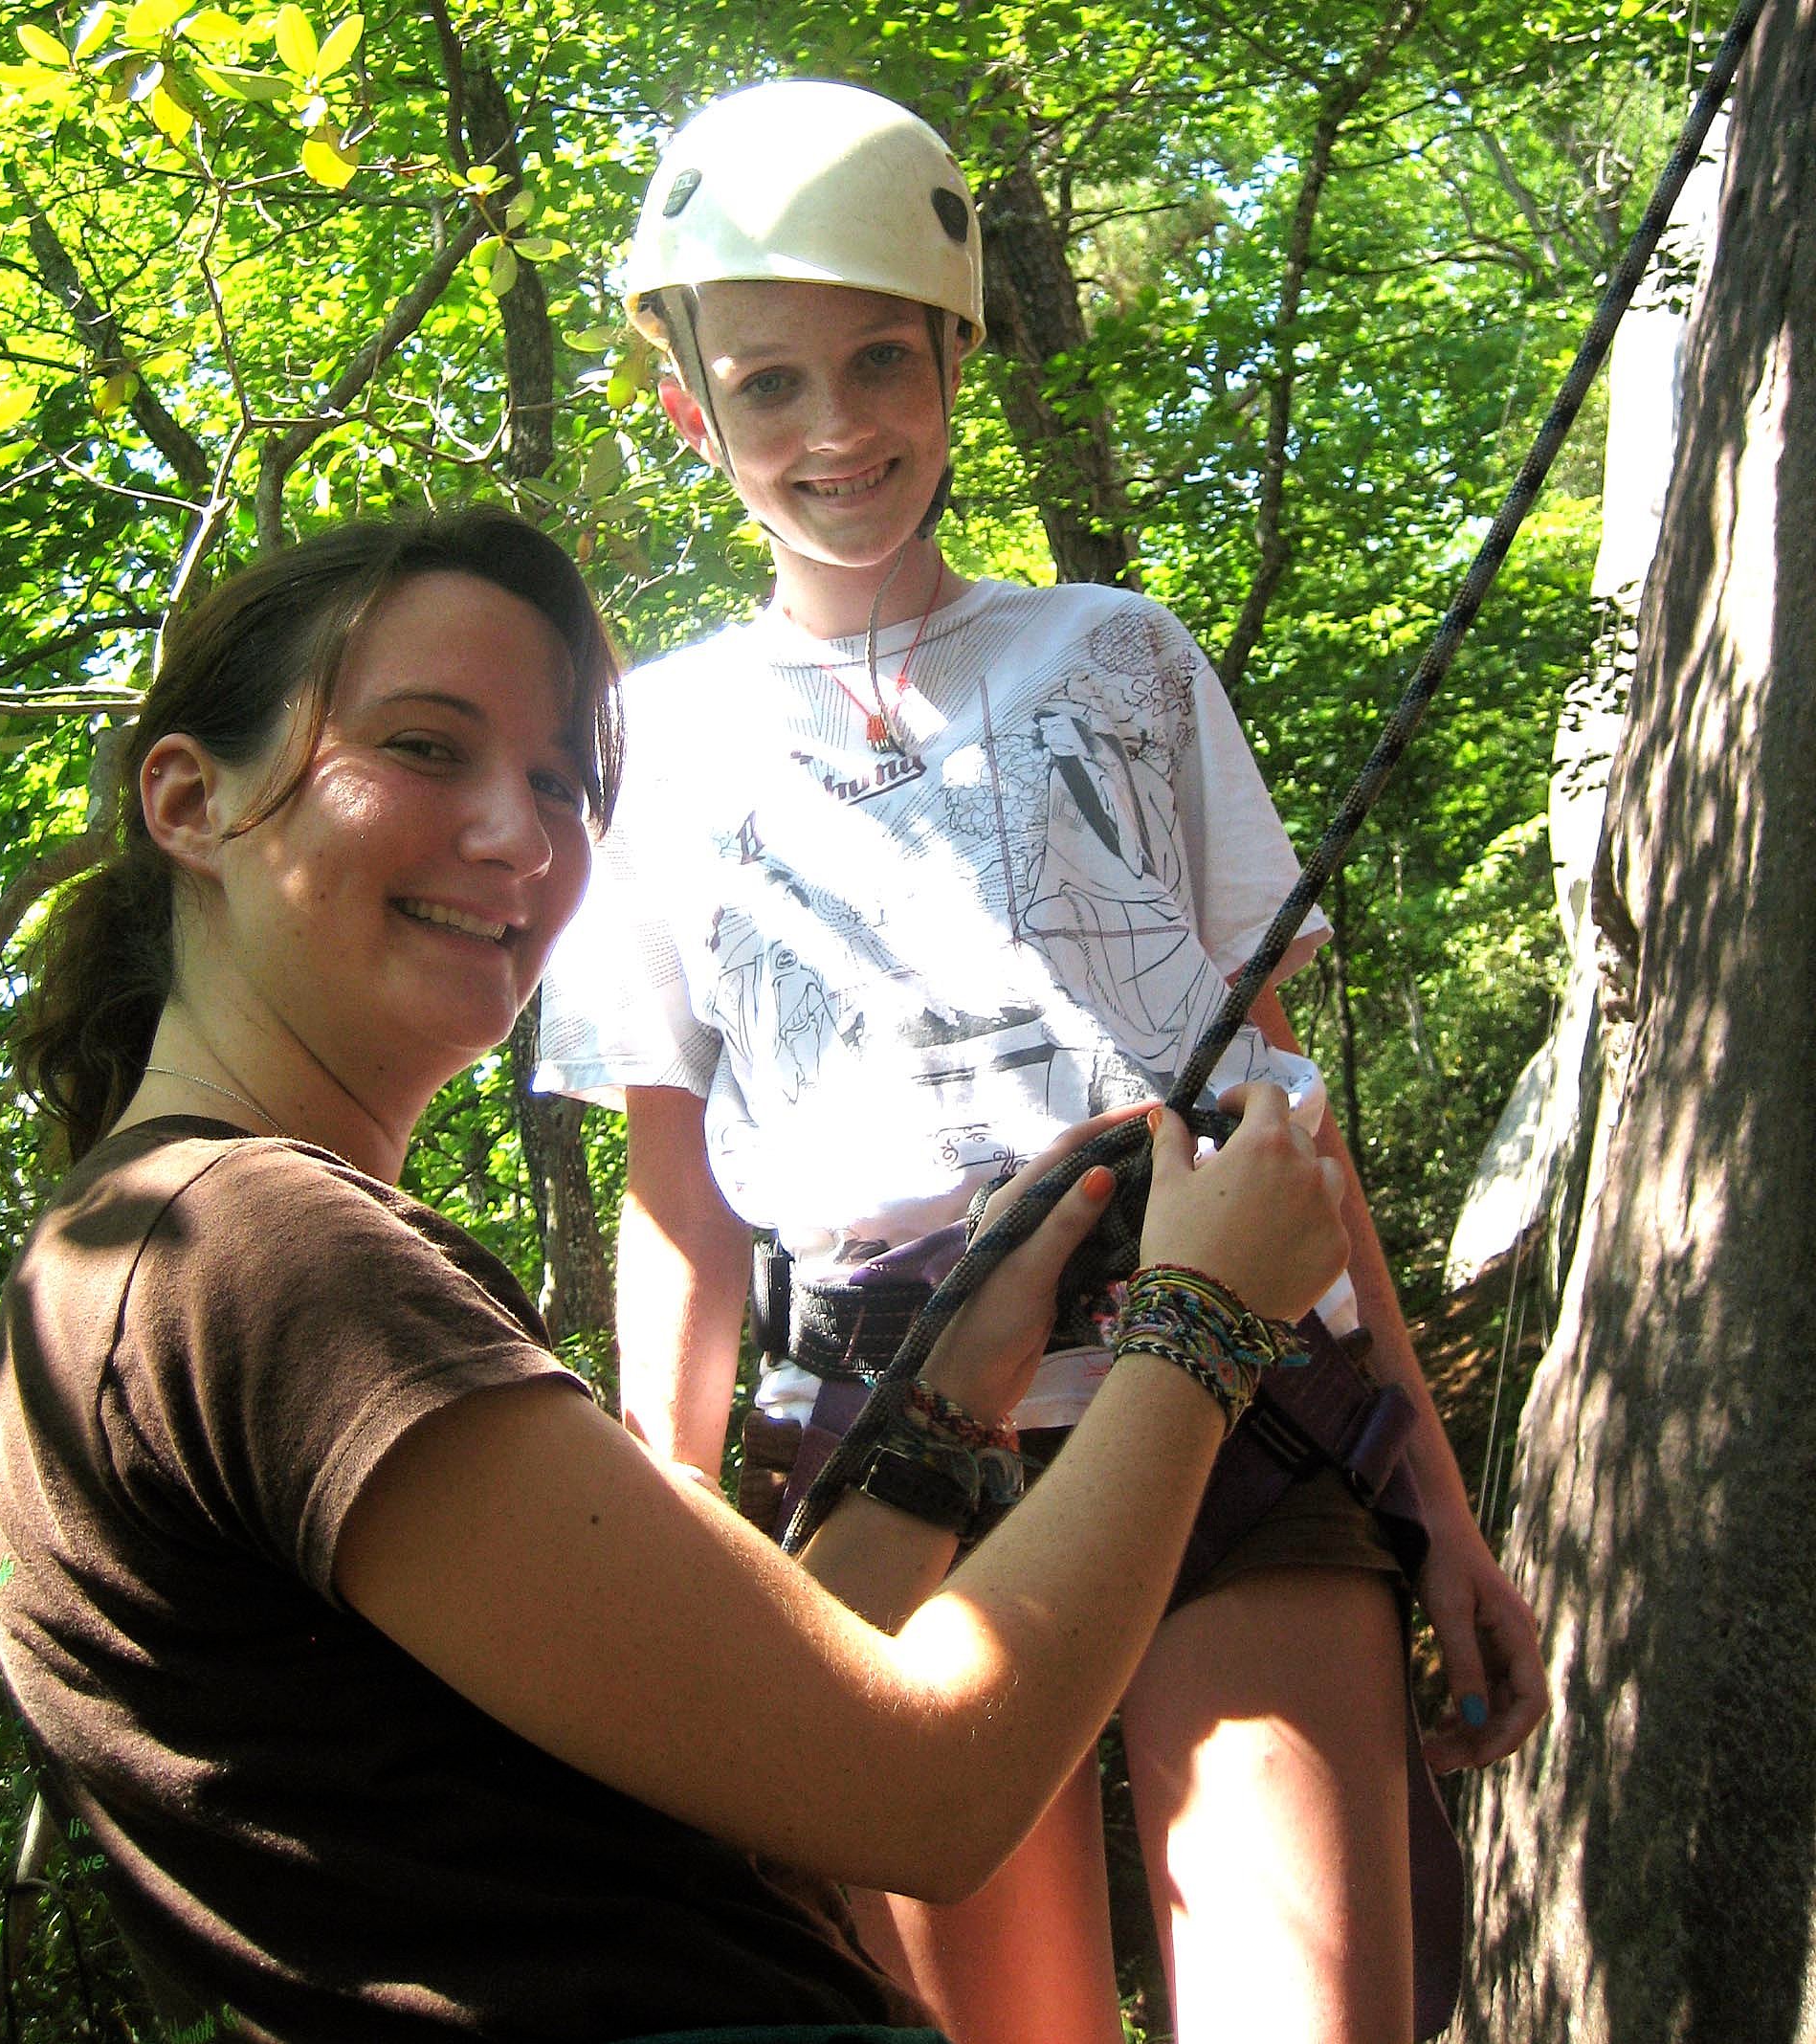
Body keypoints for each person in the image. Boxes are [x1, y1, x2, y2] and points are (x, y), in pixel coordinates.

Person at [0, 506, 1355, 2044]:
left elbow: (733, 1764)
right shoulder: (259, 1256)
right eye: (426, 747)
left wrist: (953, 1402)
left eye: (562, 783)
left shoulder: (152, 1252)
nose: (521, 837)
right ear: (191, 800)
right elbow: (922, 1792)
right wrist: (1203, 1326)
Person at [535, 80, 1550, 2044]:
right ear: (690, 414)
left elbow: (1280, 1117)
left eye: (879, 362)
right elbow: (680, 1199)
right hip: (901, 1447)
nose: (833, 427)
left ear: (954, 362)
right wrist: (680, 1578)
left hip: (1238, 1398)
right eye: (767, 385)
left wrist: (1439, 1505)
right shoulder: (644, 751)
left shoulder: (1121, 656)